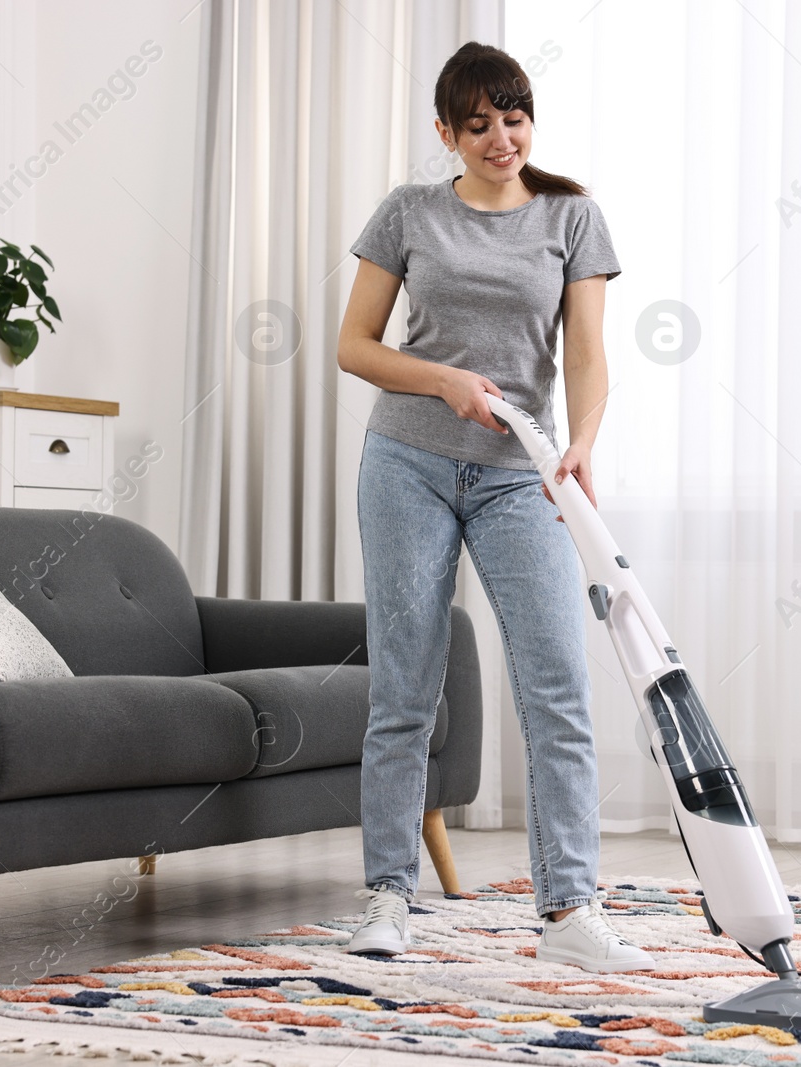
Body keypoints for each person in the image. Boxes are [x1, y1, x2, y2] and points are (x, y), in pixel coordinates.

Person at [334, 42, 652, 974]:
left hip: (524, 472)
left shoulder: (571, 216)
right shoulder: (407, 212)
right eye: (479, 125)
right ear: (447, 133)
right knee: (404, 688)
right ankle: (387, 894)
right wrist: (440, 380)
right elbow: (356, 346)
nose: (501, 137)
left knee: (558, 684)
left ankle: (570, 908)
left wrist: (582, 442)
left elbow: (588, 353)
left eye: (513, 117)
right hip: (408, 462)